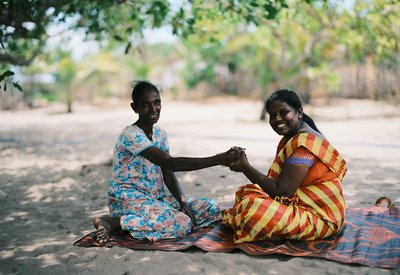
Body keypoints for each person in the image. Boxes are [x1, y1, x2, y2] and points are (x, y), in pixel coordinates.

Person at [93, 80, 242, 243]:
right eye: (146, 105)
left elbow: (168, 173)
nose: (153, 109)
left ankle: (154, 220)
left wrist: (182, 201)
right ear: (134, 108)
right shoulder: (130, 135)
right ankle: (112, 221)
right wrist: (219, 158)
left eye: (157, 103)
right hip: (129, 200)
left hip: (155, 199)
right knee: (182, 223)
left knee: (210, 208)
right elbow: (171, 163)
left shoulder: (160, 135)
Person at [223, 89, 347, 243]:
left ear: (299, 112)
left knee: (255, 210)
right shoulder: (295, 137)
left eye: (284, 112)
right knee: (249, 192)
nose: (278, 119)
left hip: (322, 218)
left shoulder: (305, 146)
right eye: (272, 115)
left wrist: (246, 167)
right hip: (304, 203)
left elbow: (283, 193)